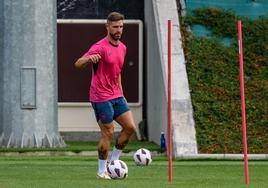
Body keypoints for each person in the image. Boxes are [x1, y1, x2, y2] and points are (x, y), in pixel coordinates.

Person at [74, 12, 136, 179]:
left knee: (130, 128)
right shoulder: (99, 46)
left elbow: (117, 72)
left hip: (117, 95)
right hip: (100, 96)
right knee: (108, 132)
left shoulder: (123, 47)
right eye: (115, 27)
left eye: (121, 27)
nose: (119, 30)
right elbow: (78, 63)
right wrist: (89, 59)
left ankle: (113, 163)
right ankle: (101, 171)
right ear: (107, 27)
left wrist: (121, 92)